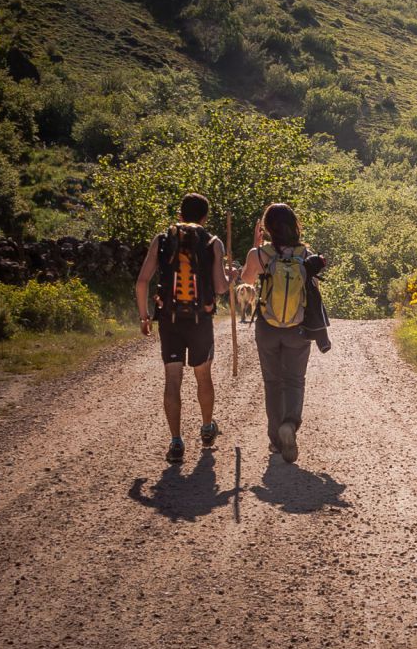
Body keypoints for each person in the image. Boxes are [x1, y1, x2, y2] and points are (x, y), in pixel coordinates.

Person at [135, 193, 230, 463]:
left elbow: (142, 282)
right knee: (203, 376)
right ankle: (207, 428)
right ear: (204, 217)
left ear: (180, 214)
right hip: (200, 320)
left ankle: (176, 441)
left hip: (169, 320)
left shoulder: (162, 239)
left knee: (173, 380)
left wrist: (144, 317)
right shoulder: (213, 242)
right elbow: (221, 287)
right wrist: (230, 277)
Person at [239, 203, 325, 464]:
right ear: (294, 225)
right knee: (295, 380)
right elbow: (312, 287)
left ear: (267, 227)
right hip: (297, 328)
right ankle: (290, 424)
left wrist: (256, 248)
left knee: (272, 382)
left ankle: (276, 441)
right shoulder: (304, 254)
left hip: (267, 326)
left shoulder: (259, 254)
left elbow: (247, 281)